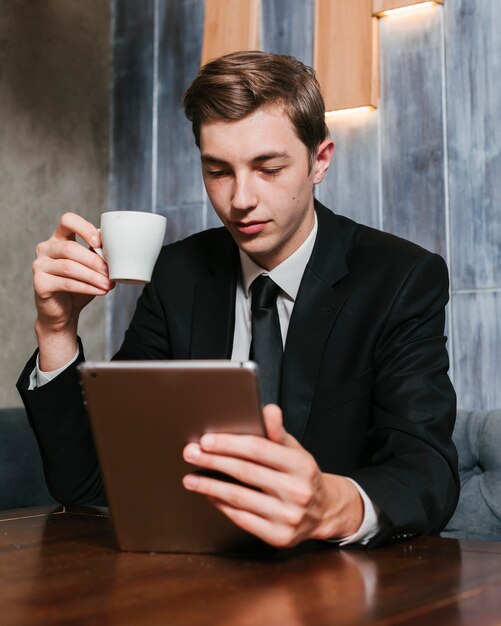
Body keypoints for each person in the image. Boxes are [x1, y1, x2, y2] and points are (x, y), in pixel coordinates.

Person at [17, 51, 459, 548]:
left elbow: (428, 474)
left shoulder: (401, 278)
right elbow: (88, 482)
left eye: (268, 168)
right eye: (218, 170)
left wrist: (329, 506)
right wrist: (56, 332)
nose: (240, 199)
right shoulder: (176, 276)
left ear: (320, 161)